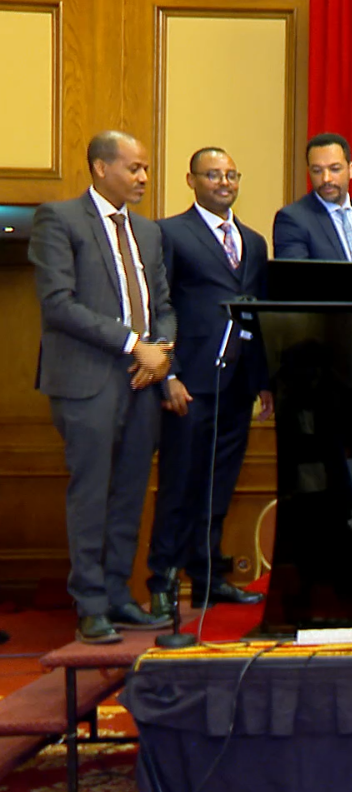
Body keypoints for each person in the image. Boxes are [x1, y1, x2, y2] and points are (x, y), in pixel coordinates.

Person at [31, 131, 176, 643]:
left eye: (145, 169)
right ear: (100, 167)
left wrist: (161, 351)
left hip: (144, 381)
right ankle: (90, 605)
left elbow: (163, 304)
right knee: (91, 494)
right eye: (134, 168)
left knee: (130, 494)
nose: (143, 177)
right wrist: (135, 344)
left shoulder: (148, 232)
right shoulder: (59, 219)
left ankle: (118, 596)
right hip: (87, 380)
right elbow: (58, 304)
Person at [146, 147, 269, 618]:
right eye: (213, 175)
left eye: (231, 175)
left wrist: (263, 380)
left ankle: (208, 579)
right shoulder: (169, 233)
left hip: (238, 385)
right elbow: (159, 307)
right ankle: (162, 581)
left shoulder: (254, 241)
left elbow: (257, 315)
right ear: (191, 180)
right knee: (179, 486)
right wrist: (169, 374)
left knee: (219, 487)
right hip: (189, 384)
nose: (224, 183)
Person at [272, 132, 352, 298]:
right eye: (317, 171)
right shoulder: (293, 219)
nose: (326, 179)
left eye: (335, 169)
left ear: (351, 170)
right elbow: (295, 282)